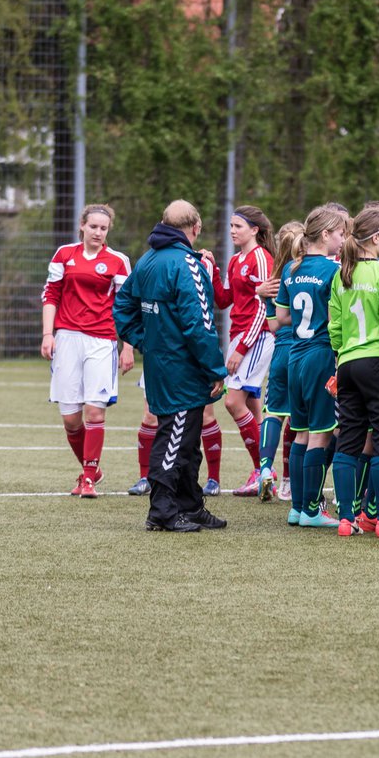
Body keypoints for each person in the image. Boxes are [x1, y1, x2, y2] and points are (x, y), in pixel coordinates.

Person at [113, 200, 228, 532]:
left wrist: (148, 342)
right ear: (195, 228)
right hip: (184, 369)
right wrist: (215, 368)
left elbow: (123, 306)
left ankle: (190, 505)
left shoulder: (147, 260)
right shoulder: (186, 265)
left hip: (164, 365)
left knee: (188, 439)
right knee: (175, 436)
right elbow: (200, 324)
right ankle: (162, 510)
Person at [41, 203, 135, 498]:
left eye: (103, 228)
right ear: (82, 225)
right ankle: (91, 469)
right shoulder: (64, 255)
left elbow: (127, 306)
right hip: (67, 339)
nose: (97, 232)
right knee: (71, 418)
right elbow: (50, 294)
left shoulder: (119, 261)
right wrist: (48, 334)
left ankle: (88, 478)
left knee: (95, 411)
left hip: (102, 342)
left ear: (108, 230)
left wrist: (128, 346)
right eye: (93, 226)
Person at [328, 205, 379, 537]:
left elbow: (334, 326)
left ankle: (346, 519)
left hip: (347, 363)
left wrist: (341, 357)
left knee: (348, 440)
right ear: (375, 238)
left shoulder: (341, 273)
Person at [274, 205, 348, 528]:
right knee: (321, 435)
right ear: (326, 234)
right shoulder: (333, 271)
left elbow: (282, 318)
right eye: (341, 234)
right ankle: (313, 511)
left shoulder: (291, 268)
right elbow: (335, 321)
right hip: (320, 356)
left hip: (295, 355)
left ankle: (298, 509)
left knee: (301, 433)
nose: (344, 240)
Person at [203, 206, 275, 495]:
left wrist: (242, 348)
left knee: (233, 402)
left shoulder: (261, 258)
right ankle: (262, 472)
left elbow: (262, 307)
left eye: (239, 226)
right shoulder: (235, 260)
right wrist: (213, 269)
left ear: (255, 230)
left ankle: (263, 470)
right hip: (239, 336)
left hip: (257, 337)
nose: (233, 231)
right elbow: (224, 301)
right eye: (231, 226)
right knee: (253, 409)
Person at [256, 221, 305, 503]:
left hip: (281, 351)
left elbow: (274, 327)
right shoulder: (306, 272)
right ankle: (289, 482)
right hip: (305, 350)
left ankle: (265, 469)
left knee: (273, 412)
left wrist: (264, 299)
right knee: (300, 422)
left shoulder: (275, 278)